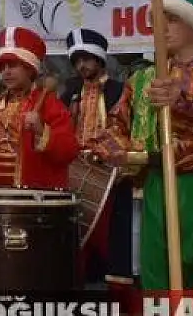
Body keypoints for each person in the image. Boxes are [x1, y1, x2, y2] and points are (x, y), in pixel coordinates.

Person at [90, 0, 193, 291]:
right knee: (161, 289)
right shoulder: (140, 80)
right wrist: (117, 151)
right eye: (157, 21)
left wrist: (184, 105)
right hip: (158, 190)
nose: (161, 28)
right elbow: (113, 127)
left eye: (172, 19)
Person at [58, 28, 132, 290]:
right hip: (77, 175)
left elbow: (124, 128)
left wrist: (99, 149)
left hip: (112, 176)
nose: (81, 65)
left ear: (99, 59)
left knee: (115, 236)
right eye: (77, 60)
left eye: (86, 59)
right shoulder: (69, 92)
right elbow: (60, 128)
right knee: (79, 235)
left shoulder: (120, 90)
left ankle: (117, 295)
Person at [0, 27, 79, 189]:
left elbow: (69, 152)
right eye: (2, 67)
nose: (6, 72)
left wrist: (41, 130)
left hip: (32, 202)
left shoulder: (50, 105)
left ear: (30, 68)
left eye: (12, 65)